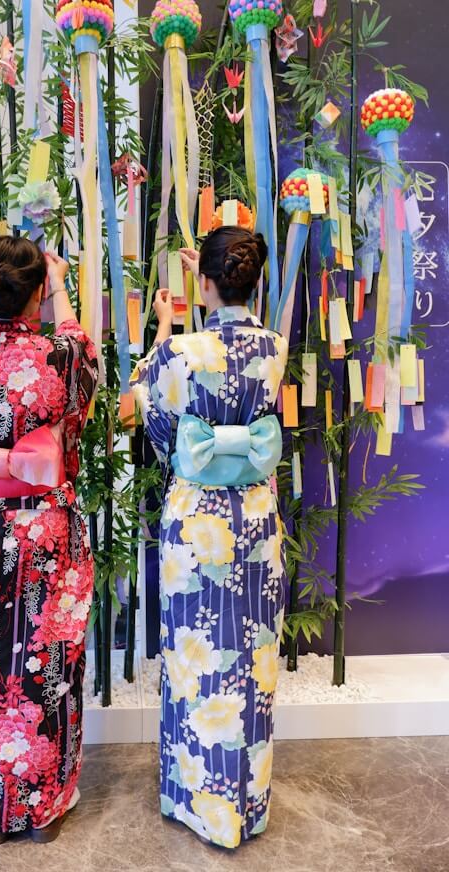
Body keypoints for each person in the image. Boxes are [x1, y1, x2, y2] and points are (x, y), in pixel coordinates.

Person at [0, 236, 98, 845]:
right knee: (46, 664)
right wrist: (60, 287)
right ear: (35, 294)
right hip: (43, 529)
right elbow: (84, 366)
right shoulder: (63, 355)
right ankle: (44, 807)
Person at [131, 227, 288, 849]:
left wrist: (169, 328)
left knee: (195, 657)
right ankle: (245, 806)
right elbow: (236, 352)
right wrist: (213, 289)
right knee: (250, 659)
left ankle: (192, 797)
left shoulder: (179, 352)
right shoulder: (274, 346)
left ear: (205, 282)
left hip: (195, 521)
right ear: (257, 281)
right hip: (253, 518)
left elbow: (154, 413)